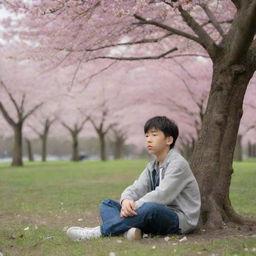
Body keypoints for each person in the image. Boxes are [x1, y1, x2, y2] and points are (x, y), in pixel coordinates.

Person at [66, 116, 201, 241]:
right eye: (147, 135)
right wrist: (126, 201)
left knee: (149, 208)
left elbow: (163, 195)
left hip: (179, 219)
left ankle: (98, 232)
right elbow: (136, 188)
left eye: (154, 135)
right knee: (107, 204)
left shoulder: (178, 164)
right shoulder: (152, 166)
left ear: (169, 140)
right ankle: (129, 231)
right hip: (153, 216)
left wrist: (135, 206)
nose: (148, 139)